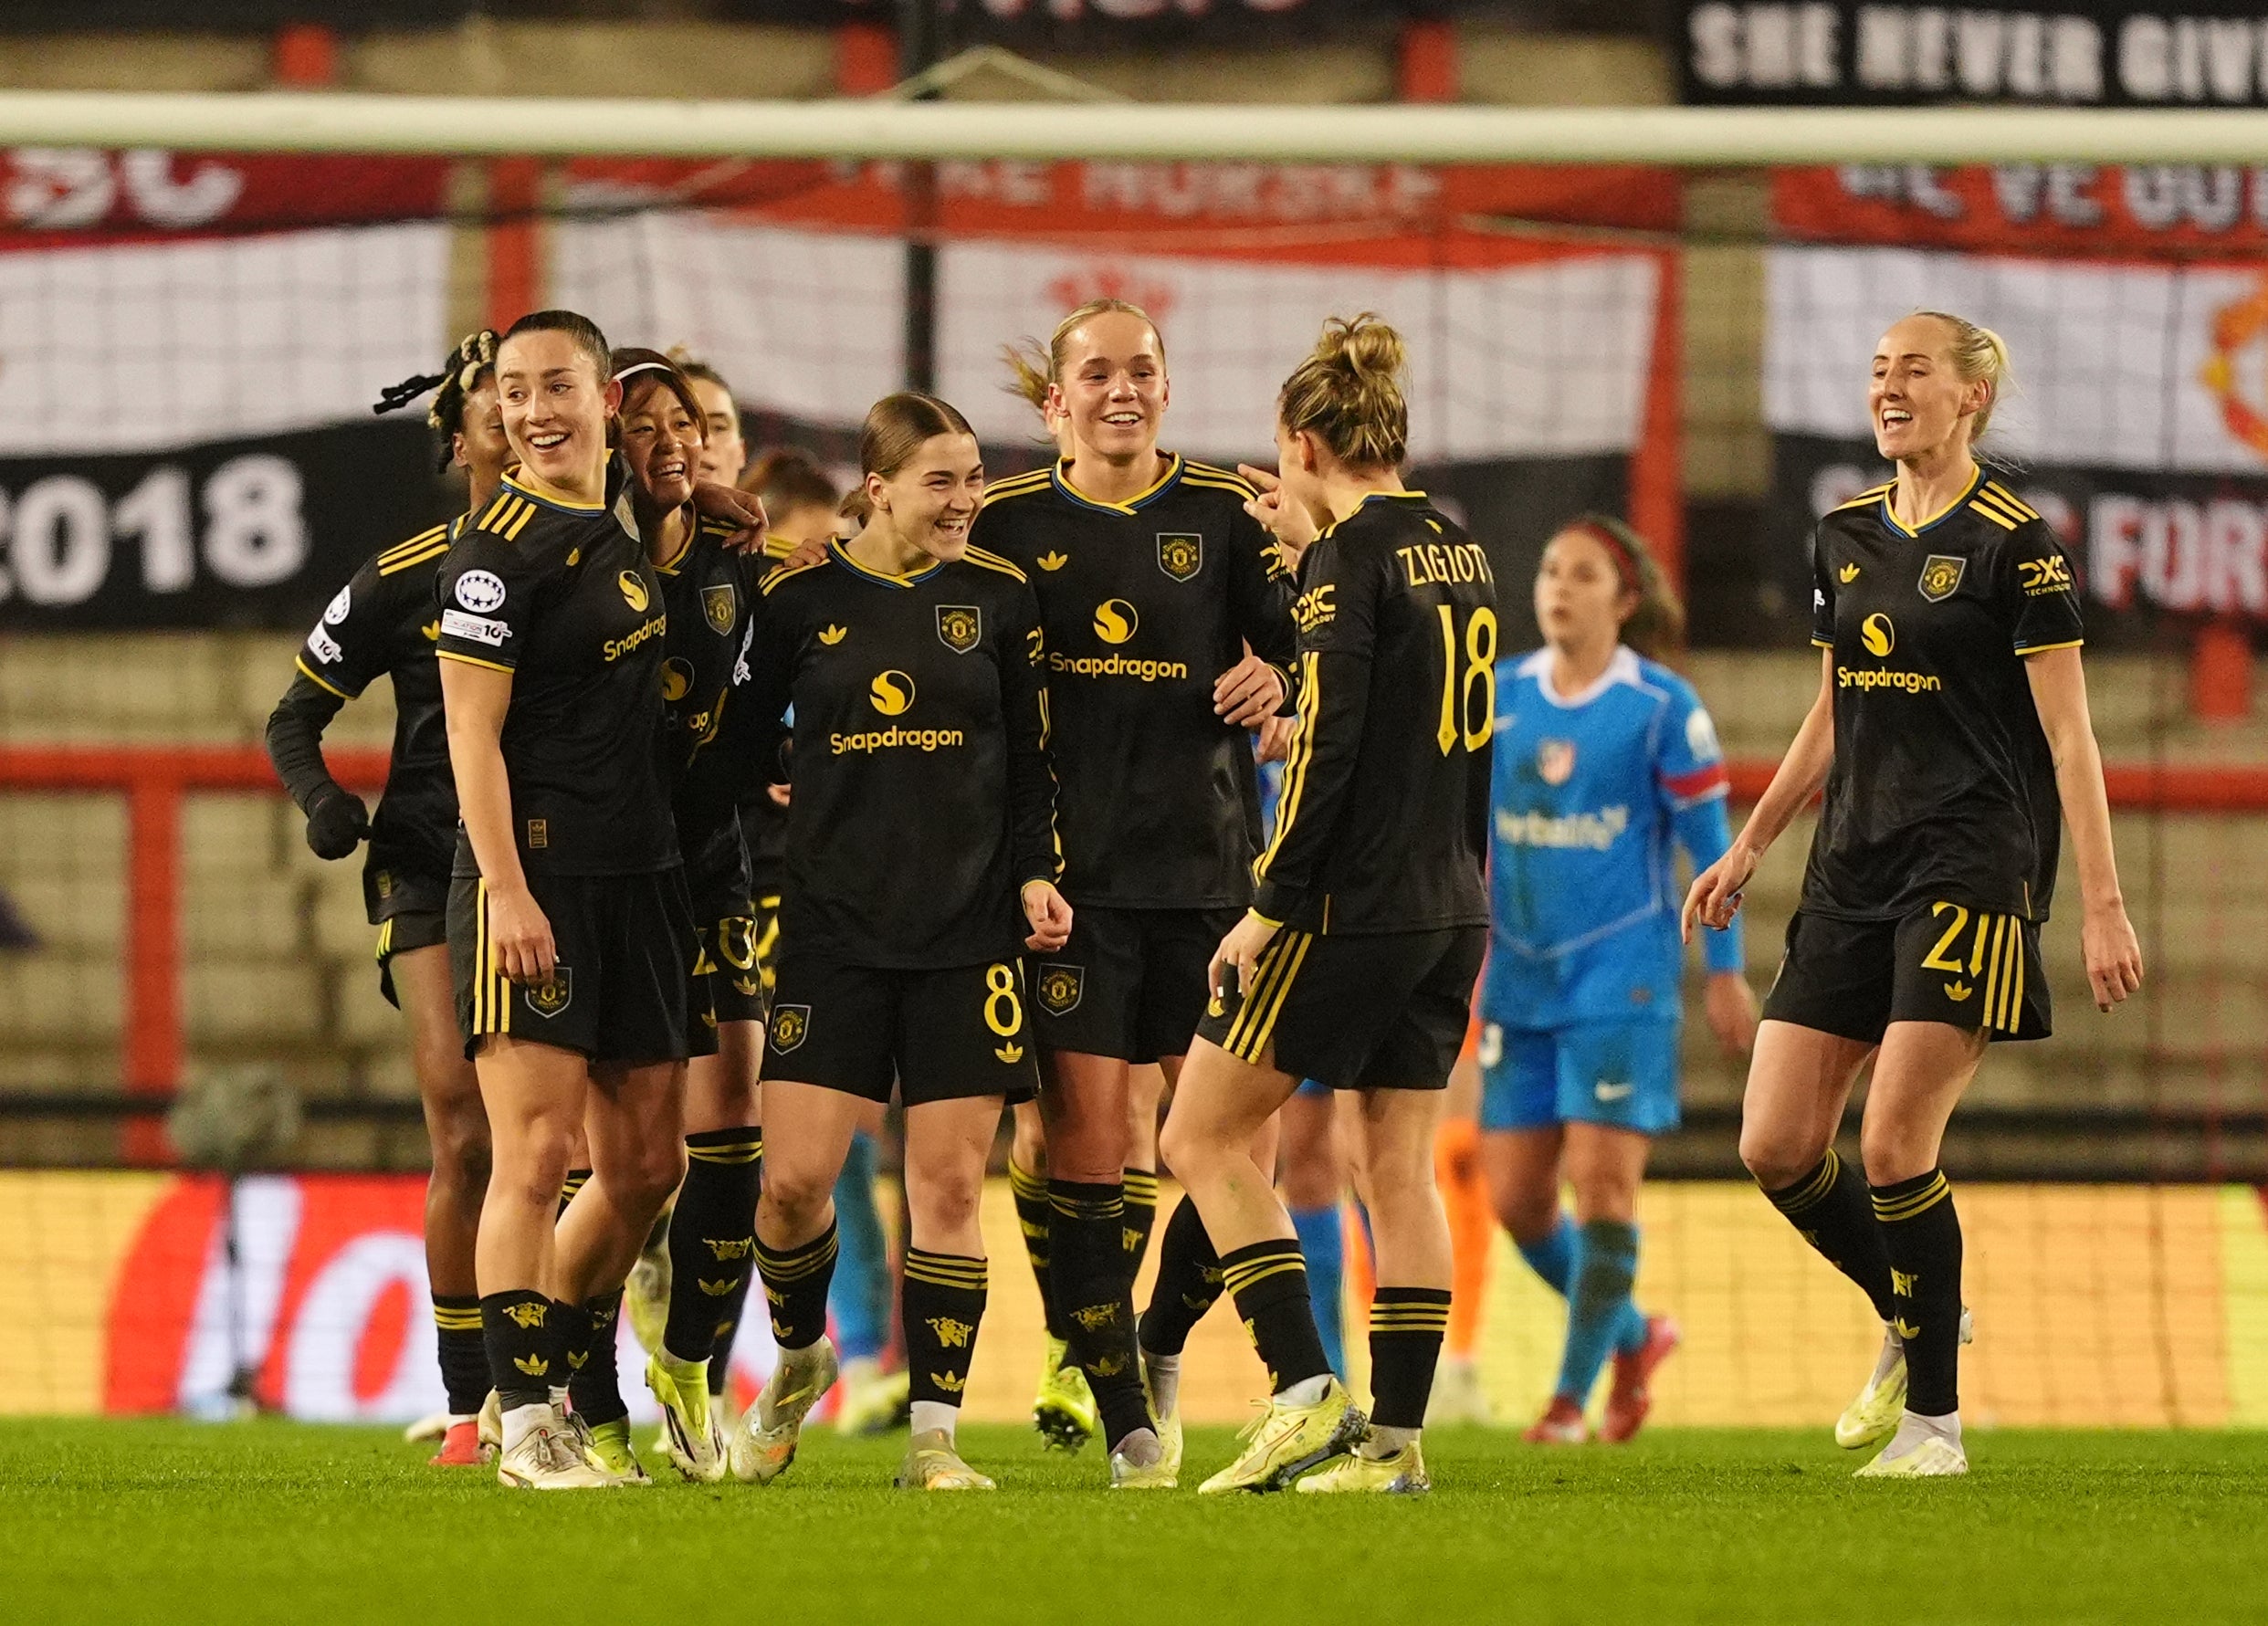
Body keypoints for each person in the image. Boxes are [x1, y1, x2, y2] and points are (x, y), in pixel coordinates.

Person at [1684, 310, 2143, 1478]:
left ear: (1970, 396)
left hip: (1971, 869)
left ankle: (1934, 1423)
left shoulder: (2018, 546)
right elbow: (1833, 711)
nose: (1889, 387)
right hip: (1852, 868)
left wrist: (2101, 901)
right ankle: (1913, 1304)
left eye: (1915, 370)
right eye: (1879, 370)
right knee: (1774, 1142)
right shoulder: (1842, 532)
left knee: (1893, 1140)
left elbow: (2071, 735)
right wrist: (1749, 845)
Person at [1160, 312, 1495, 1496]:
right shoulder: (1457, 548)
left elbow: (1332, 743)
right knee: (1394, 1166)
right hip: (1452, 902)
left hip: (1352, 903)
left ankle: (1302, 1385)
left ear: (1302, 444)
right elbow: (1424, 720)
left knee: (1198, 1136)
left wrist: (1271, 902)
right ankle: (1395, 1447)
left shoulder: (1346, 565)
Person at [723, 392, 1070, 1493]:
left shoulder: (1002, 598)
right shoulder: (797, 603)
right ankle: (801, 1354)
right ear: (876, 489)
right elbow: (732, 748)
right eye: (941, 481)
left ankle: (934, 1437)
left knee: (950, 1188)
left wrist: (1035, 870)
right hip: (832, 935)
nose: (965, 500)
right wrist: (778, 775)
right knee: (791, 1185)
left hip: (968, 936)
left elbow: (1033, 763)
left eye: (974, 478)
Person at [975, 299, 1297, 1482]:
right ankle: (1127, 1422)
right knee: (1088, 1149)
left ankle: (1151, 1340)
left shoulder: (1224, 514)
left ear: (1168, 386)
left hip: (1211, 878)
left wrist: (1282, 680)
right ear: (1055, 399)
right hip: (1070, 889)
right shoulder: (1006, 521)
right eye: (1099, 372)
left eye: (1143, 370)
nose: (1124, 389)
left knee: (1229, 1145)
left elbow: (1303, 648)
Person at [435, 309, 696, 1491]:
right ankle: (533, 1417)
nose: (534, 410)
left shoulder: (622, 520)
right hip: (532, 880)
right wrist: (505, 888)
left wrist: (705, 501)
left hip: (644, 877)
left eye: (556, 386)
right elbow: (470, 734)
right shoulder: (494, 554)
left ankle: (534, 1374)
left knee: (645, 1166)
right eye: (514, 390)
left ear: (605, 399)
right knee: (533, 1152)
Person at [265, 329, 509, 1469]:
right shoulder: (405, 574)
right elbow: (292, 716)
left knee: (572, 1144)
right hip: (425, 861)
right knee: (464, 1124)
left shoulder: (600, 564)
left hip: (571, 865)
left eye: (530, 394)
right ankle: (470, 1401)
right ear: (457, 440)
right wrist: (323, 800)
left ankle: (558, 1376)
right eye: (492, 402)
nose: (515, 416)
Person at [1480, 514, 1757, 1446]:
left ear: (1625, 598)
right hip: (1519, 977)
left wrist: (1725, 972)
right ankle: (1637, 1337)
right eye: (1550, 571)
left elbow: (1712, 849)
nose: (1559, 587)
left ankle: (1570, 1400)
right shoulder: (1498, 696)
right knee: (1516, 1200)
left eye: (1583, 574)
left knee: (1602, 1189)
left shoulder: (1661, 706)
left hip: (1622, 977)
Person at [548, 346, 760, 1485]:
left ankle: (689, 1362)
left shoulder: (737, 559)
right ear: (608, 440)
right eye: (649, 425)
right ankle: (582, 1398)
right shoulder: (581, 559)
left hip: (712, 864)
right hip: (611, 871)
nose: (675, 441)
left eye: (691, 423)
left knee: (733, 1126)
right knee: (618, 1159)